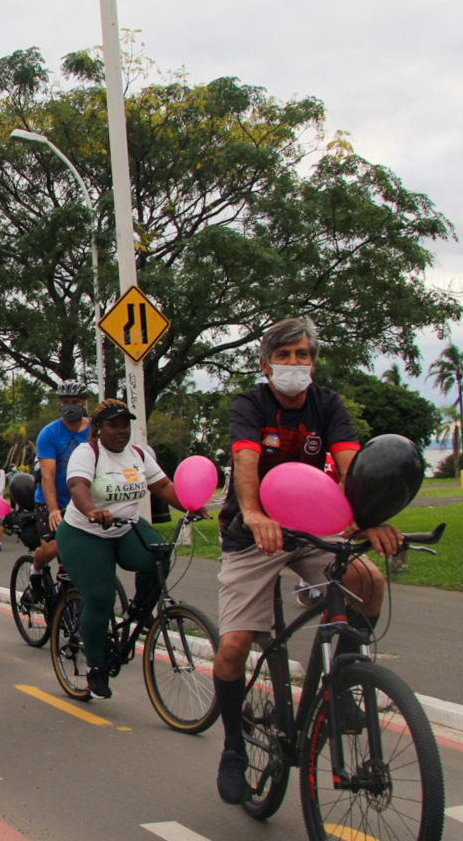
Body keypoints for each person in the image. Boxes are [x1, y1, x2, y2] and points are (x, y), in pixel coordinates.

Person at [212, 318, 400, 804]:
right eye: (285, 354)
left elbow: (351, 461)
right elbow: (246, 459)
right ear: (265, 362)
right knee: (234, 646)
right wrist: (253, 513)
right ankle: (233, 746)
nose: (295, 363)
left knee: (368, 580)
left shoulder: (328, 403)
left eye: (303, 355)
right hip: (253, 534)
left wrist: (369, 518)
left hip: (311, 527)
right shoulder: (250, 404)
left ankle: (342, 684)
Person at [57, 399, 196, 699]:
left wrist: (191, 505)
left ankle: (139, 610)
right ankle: (95, 667)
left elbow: (163, 487)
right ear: (98, 429)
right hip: (85, 533)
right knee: (100, 598)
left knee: (159, 553)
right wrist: (93, 510)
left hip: (125, 527)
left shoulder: (139, 455)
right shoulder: (88, 452)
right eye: (113, 425)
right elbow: (78, 487)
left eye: (125, 425)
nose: (121, 431)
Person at [34, 381, 92, 578]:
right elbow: (47, 475)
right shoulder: (49, 433)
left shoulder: (95, 431)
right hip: (52, 500)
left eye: (75, 401)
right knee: (54, 548)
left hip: (83, 500)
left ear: (83, 403)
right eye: (65, 401)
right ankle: (35, 569)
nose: (70, 406)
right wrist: (53, 510)